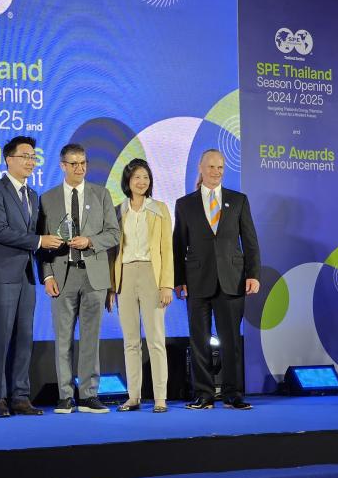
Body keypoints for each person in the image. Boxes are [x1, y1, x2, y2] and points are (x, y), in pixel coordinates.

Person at [173, 149, 261, 410]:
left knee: (231, 340)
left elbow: (250, 241)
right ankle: (204, 394)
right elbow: (178, 245)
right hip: (197, 281)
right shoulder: (184, 204)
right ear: (200, 168)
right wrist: (179, 280)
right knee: (199, 340)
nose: (216, 172)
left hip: (232, 280)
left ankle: (233, 394)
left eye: (220, 167)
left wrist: (253, 274)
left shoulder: (238, 200)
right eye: (211, 167)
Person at [0, 136, 62, 418]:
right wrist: (39, 241)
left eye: (33, 157)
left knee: (25, 337)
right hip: (3, 274)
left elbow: (36, 235)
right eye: (25, 156)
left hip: (27, 275)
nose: (30, 162)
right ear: (9, 159)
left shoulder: (33, 195)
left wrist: (46, 270)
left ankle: (20, 396)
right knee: (1, 337)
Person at [38, 143, 120, 414]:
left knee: (90, 338)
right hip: (62, 276)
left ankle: (88, 395)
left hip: (94, 276)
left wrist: (90, 241)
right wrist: (47, 275)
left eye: (83, 162)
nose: (80, 168)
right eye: (74, 163)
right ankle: (65, 396)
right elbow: (42, 243)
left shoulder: (101, 194)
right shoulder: (47, 199)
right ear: (62, 166)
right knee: (63, 339)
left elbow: (114, 234)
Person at [107, 159, 174, 413]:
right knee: (131, 341)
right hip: (125, 275)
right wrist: (112, 286)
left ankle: (160, 398)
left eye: (146, 177)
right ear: (127, 181)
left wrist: (166, 284)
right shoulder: (118, 210)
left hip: (151, 275)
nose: (142, 182)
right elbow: (113, 252)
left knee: (156, 339)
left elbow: (167, 249)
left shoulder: (159, 209)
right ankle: (133, 397)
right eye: (137, 177)